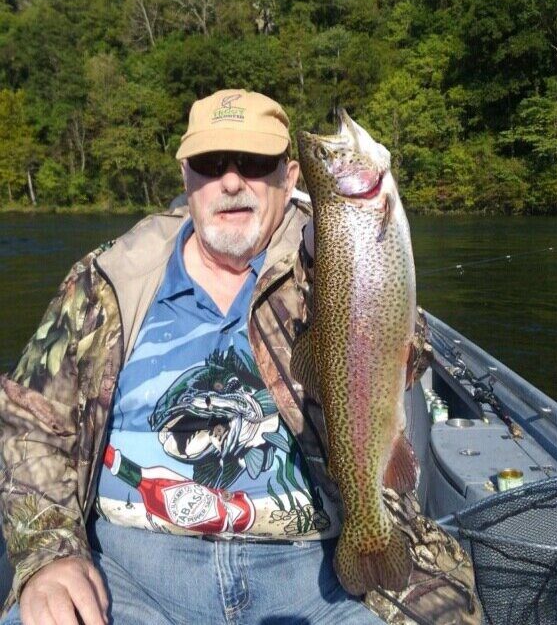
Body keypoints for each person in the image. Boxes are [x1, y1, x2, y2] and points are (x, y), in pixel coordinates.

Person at [0, 89, 470, 625]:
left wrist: (332, 259)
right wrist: (49, 556)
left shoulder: (332, 258)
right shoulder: (110, 279)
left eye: (253, 163)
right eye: (210, 163)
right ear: (186, 179)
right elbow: (28, 423)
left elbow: (402, 346)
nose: (230, 180)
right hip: (130, 577)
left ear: (290, 177)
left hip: (318, 571)